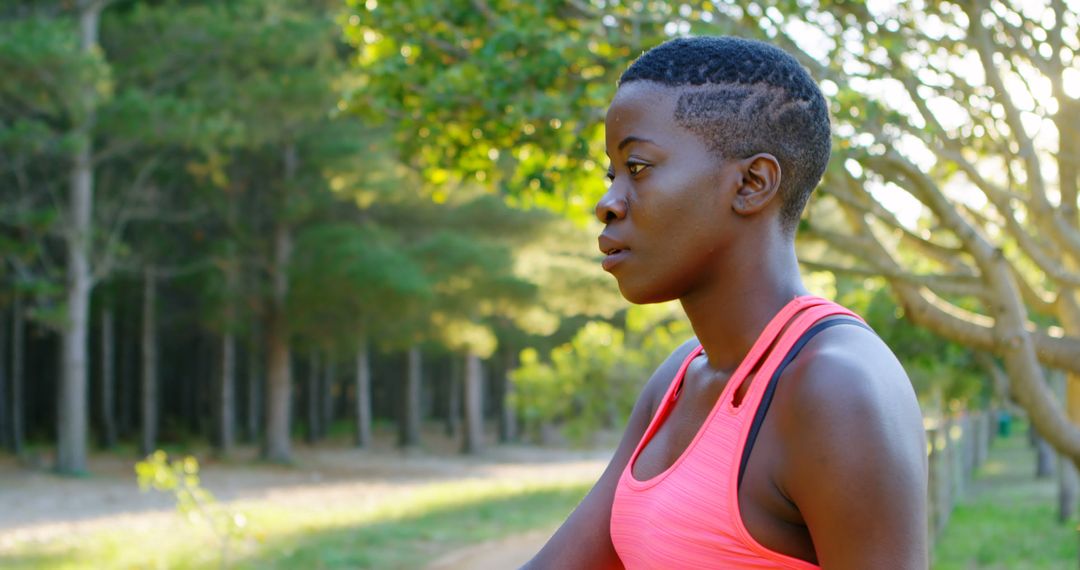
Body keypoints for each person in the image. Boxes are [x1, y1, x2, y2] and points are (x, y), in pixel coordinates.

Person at [522, 36, 928, 569]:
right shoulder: (679, 377)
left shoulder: (835, 388)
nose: (608, 203)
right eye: (611, 173)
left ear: (752, 184)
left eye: (637, 167)